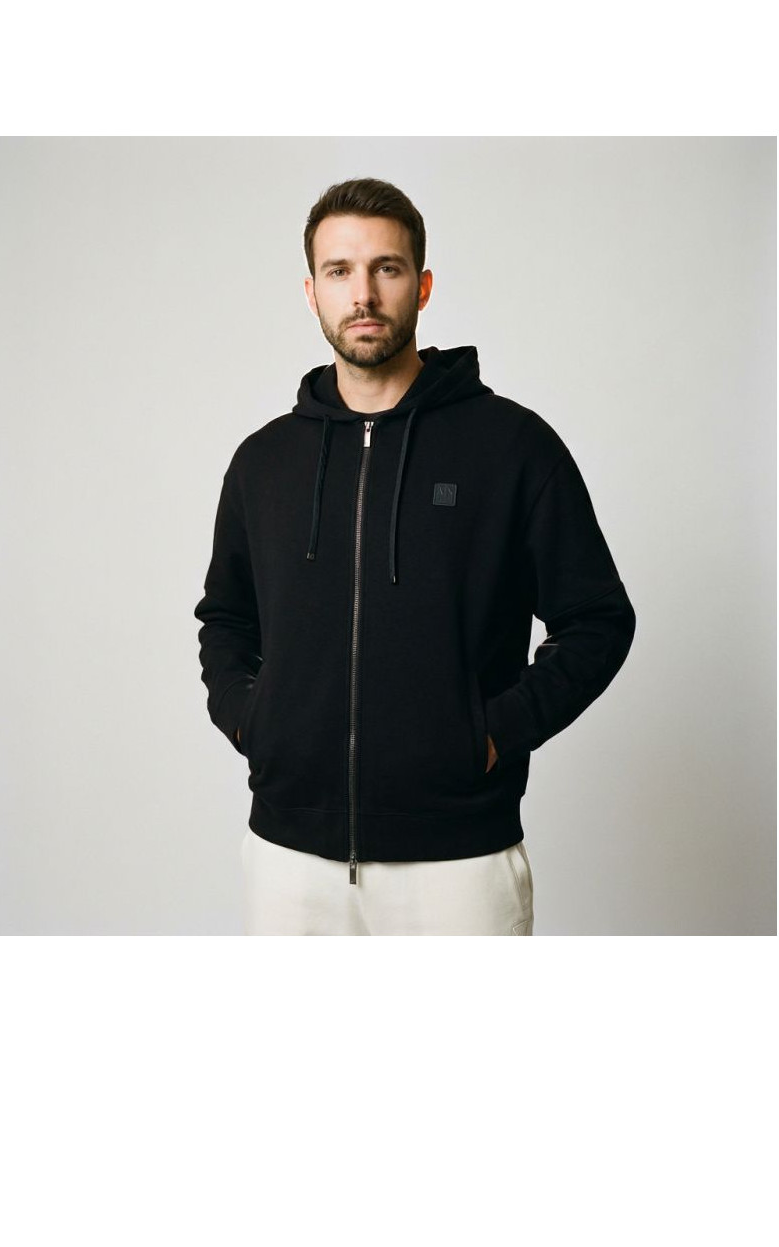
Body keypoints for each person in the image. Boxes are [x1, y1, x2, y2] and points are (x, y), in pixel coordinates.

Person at [194, 178, 636, 935]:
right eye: (339, 271)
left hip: (458, 863)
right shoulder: (264, 462)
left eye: (386, 268)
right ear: (311, 292)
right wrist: (252, 722)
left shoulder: (512, 448)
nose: (363, 293)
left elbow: (598, 620)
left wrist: (490, 735)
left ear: (422, 286)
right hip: (289, 860)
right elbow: (226, 620)